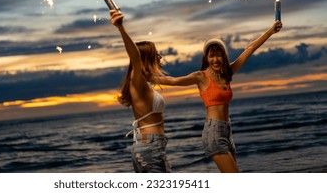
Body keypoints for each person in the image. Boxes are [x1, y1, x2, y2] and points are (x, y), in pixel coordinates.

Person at [155, 20, 283, 172]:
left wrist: (270, 32)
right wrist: (148, 77)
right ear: (206, 58)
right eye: (211, 56)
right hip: (214, 131)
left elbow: (250, 49)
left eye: (218, 55)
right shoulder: (201, 77)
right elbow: (174, 81)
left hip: (227, 131)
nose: (215, 59)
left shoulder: (227, 73)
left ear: (224, 55)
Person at [109, 9, 172, 172]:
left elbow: (178, 81)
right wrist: (121, 28)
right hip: (150, 147)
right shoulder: (136, 80)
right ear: (146, 57)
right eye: (155, 53)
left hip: (149, 146)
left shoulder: (143, 83)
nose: (159, 56)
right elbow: (135, 57)